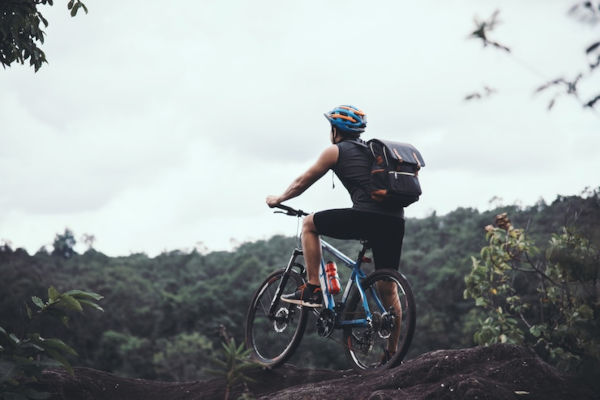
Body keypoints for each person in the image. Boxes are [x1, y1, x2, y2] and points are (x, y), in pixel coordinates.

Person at [265, 105, 406, 359]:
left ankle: (313, 288)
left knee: (309, 224)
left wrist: (279, 198)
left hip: (366, 216)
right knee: (389, 287)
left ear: (335, 130)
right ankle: (393, 353)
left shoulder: (335, 151)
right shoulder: (372, 152)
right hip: (395, 220)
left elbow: (302, 182)